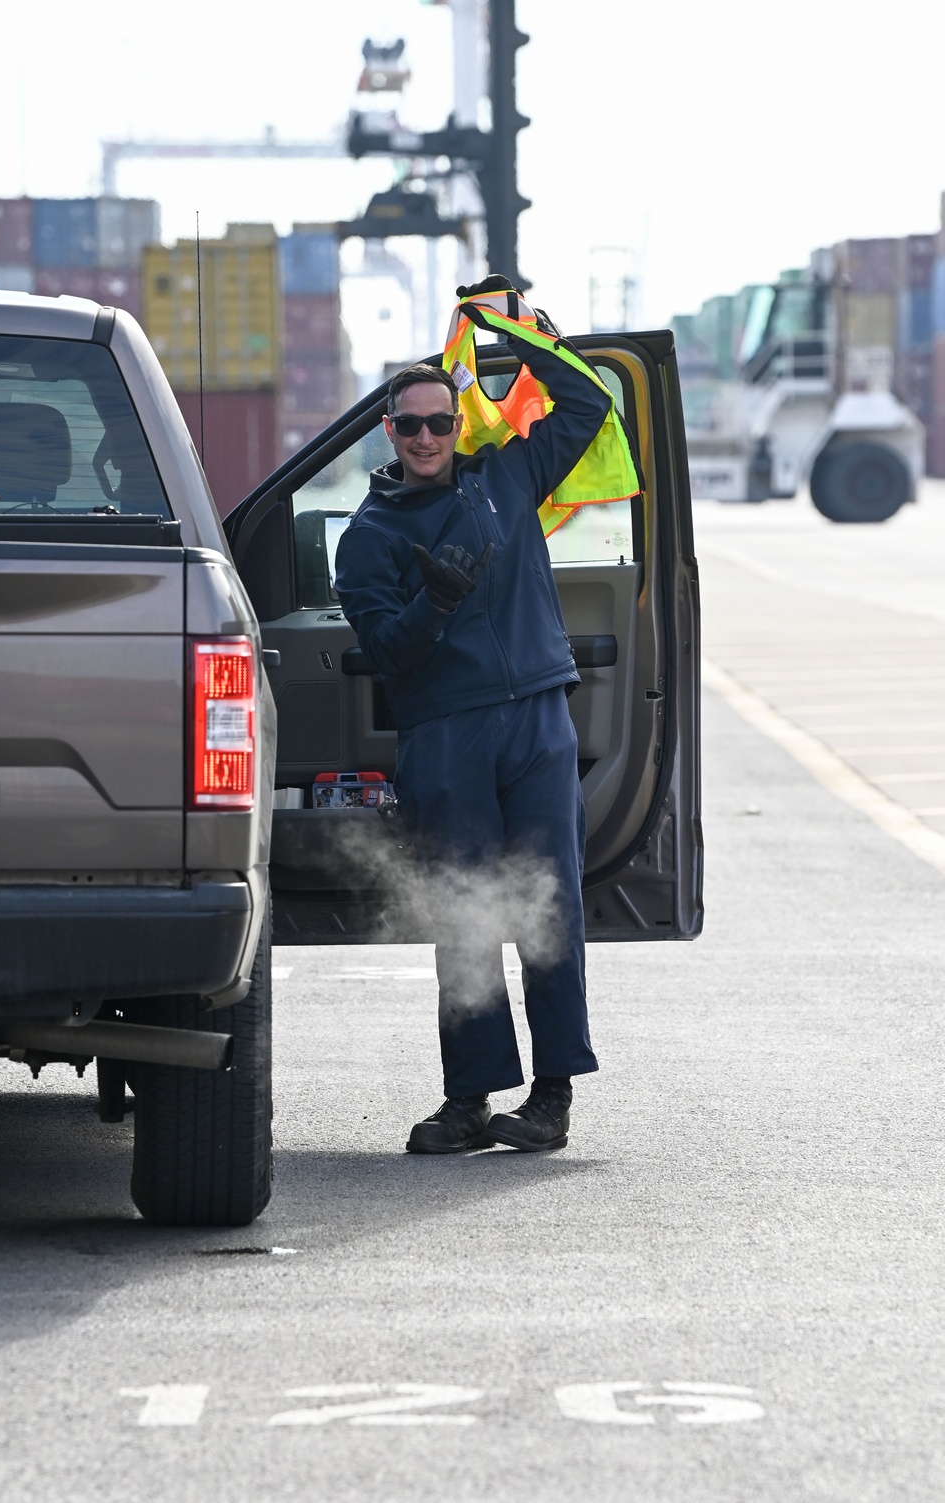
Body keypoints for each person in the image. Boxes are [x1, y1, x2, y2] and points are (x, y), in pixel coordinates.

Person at [334, 277, 611, 1155]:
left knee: (546, 907)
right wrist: (436, 601)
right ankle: (468, 1099)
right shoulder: (368, 536)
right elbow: (389, 652)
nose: (425, 437)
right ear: (389, 430)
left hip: (536, 719)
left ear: (459, 423)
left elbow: (588, 399)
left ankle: (553, 1093)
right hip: (446, 733)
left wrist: (514, 334)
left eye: (439, 421)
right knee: (464, 913)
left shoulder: (510, 473)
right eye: (409, 424)